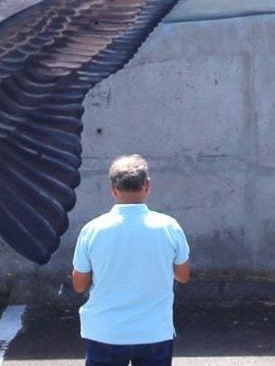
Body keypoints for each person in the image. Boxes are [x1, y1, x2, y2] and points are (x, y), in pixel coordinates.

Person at [71, 154, 191, 366]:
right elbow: (183, 276)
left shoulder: (93, 230)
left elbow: (79, 285)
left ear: (113, 189)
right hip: (154, 331)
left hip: (105, 331)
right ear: (147, 185)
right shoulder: (169, 227)